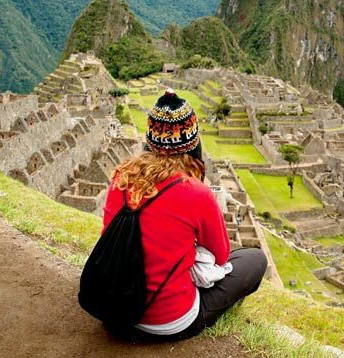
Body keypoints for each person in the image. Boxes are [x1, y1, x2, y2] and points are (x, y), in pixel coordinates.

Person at [101, 89, 267, 340]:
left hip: (112, 310)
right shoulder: (196, 193)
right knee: (254, 260)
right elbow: (221, 256)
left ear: (149, 141)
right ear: (192, 144)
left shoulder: (121, 178)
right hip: (167, 322)